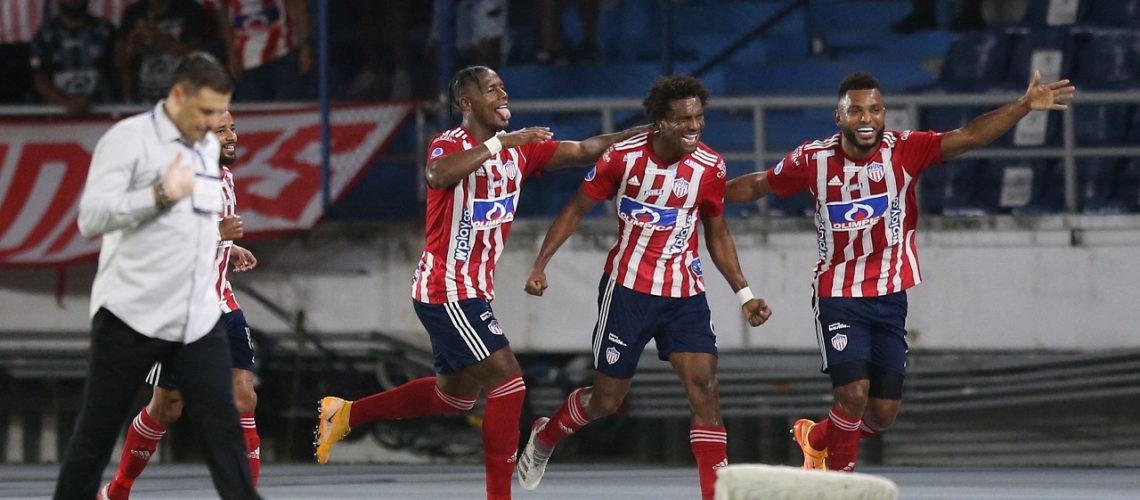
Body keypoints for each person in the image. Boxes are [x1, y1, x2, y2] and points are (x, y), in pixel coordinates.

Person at [314, 65, 649, 500]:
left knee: (453, 399)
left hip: (470, 291)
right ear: (467, 103)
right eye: (492, 89)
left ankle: (344, 414)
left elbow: (587, 149)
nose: (503, 93)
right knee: (509, 385)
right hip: (446, 288)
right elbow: (437, 175)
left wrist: (647, 133)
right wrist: (499, 143)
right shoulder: (451, 143)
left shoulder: (520, 153)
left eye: (503, 86)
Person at [723, 71, 1074, 472]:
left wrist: (1024, 105)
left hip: (891, 295)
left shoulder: (905, 150)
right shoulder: (813, 159)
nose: (866, 118)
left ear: (884, 113)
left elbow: (970, 136)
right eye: (855, 110)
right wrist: (704, 193)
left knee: (882, 413)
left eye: (874, 109)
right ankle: (841, 487)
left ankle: (816, 437)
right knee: (853, 396)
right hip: (839, 295)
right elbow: (758, 186)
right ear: (839, 118)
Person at [515, 75, 774, 500]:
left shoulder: (711, 166)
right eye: (683, 119)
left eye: (699, 117)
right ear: (660, 122)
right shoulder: (623, 157)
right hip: (628, 291)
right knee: (606, 400)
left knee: (706, 391)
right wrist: (540, 265)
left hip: (685, 293)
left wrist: (744, 294)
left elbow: (718, 233)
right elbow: (576, 210)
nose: (694, 126)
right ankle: (546, 436)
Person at [54, 52, 260, 500]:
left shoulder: (204, 147)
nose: (213, 126)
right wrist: (162, 193)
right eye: (206, 113)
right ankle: (112, 490)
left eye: (220, 115)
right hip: (133, 311)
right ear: (179, 95)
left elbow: (192, 222)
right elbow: (91, 219)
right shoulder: (127, 140)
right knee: (95, 436)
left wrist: (225, 243)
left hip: (197, 313)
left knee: (228, 425)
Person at [99, 110, 262, 499]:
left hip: (220, 303)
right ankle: (117, 490)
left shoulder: (224, 176)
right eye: (220, 130)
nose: (231, 136)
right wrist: (217, 232)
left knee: (244, 396)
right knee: (167, 405)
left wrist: (228, 246)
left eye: (232, 128)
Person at [203, 0, 312, 101]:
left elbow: (299, 6)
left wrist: (305, 46)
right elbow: (224, 14)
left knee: (286, 110)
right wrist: (231, 54)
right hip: (246, 61)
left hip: (283, 54)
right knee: (255, 112)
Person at [29, 0, 116, 115]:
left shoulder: (105, 30)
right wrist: (66, 103)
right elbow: (40, 78)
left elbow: (118, 70)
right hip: (57, 115)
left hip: (102, 112)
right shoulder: (45, 34)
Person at [115, 0, 209, 103]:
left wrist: (156, 36)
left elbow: (196, 56)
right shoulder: (134, 12)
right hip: (142, 99)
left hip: (183, 98)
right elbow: (119, 62)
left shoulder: (190, 10)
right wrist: (132, 45)